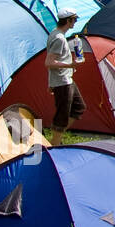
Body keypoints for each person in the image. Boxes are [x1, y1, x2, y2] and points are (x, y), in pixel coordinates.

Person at [44, 10, 86, 144]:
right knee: (62, 113)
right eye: (75, 20)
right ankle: (54, 143)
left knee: (79, 107)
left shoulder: (57, 34)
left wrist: (50, 82)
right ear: (68, 21)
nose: (75, 22)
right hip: (62, 82)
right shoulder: (59, 39)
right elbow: (49, 62)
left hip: (66, 79)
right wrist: (71, 64)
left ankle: (56, 137)